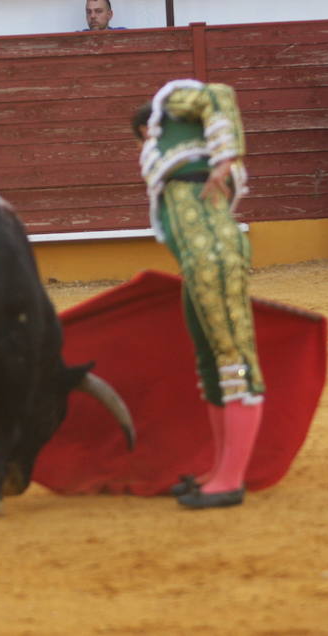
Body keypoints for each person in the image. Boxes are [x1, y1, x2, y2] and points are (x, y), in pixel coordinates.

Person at [131, 79, 263, 510]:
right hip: (197, 264)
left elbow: (218, 94)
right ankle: (219, 468)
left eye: (143, 138)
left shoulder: (169, 101)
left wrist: (226, 159)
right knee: (210, 361)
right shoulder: (171, 160)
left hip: (215, 256)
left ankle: (231, 478)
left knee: (233, 358)